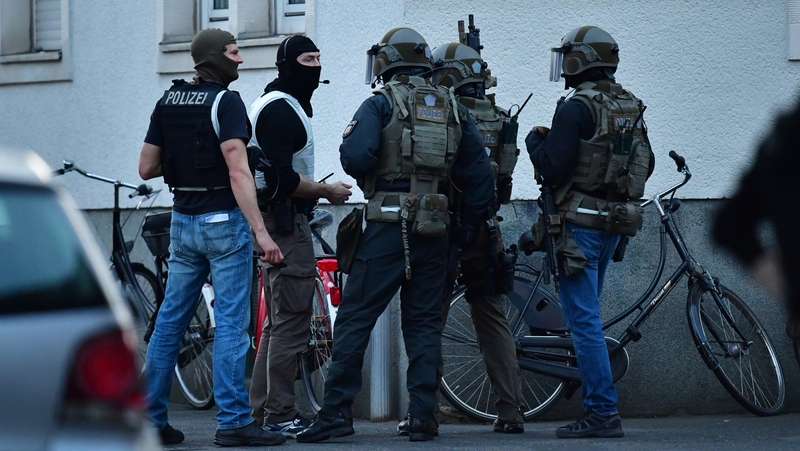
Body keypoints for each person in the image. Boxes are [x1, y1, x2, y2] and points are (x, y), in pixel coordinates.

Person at [295, 27, 495, 443]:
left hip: (387, 228)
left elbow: (355, 155)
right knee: (423, 325)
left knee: (355, 319)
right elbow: (479, 176)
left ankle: (335, 413)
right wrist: (463, 231)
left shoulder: (381, 103)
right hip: (436, 230)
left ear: (387, 62)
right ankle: (423, 417)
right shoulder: (454, 106)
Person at [138, 28, 285, 447]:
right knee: (232, 326)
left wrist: (184, 159)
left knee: (169, 323)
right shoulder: (226, 101)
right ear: (215, 58)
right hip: (224, 222)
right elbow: (239, 171)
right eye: (234, 53)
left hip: (182, 221)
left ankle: (150, 420)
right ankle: (235, 422)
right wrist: (261, 232)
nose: (240, 60)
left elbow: (146, 168)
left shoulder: (168, 100)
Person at [526, 25, 654, 439]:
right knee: (589, 317)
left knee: (583, 322)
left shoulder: (577, 106)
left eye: (566, 57)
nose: (562, 65)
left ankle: (602, 411)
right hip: (612, 224)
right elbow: (645, 165)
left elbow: (552, 167)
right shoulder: (629, 104)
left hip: (578, 227)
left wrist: (533, 142)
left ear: (579, 59)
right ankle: (601, 408)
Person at [247, 35, 352, 438]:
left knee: (276, 324)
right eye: (308, 59)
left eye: (319, 58)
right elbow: (280, 178)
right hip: (286, 225)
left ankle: (263, 413)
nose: (316, 67)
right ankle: (279, 415)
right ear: (288, 65)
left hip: (278, 222)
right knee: (291, 323)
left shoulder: (272, 103)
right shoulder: (280, 111)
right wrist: (326, 190)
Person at [421, 41, 524, 434]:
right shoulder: (500, 117)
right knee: (492, 319)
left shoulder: (442, 113)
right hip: (486, 228)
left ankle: (423, 412)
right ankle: (511, 411)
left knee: (430, 318)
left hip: (443, 227)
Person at [712, 97, 800, 337]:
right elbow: (729, 227)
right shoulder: (789, 135)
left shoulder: (787, 134)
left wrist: (792, 295)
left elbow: (729, 227)